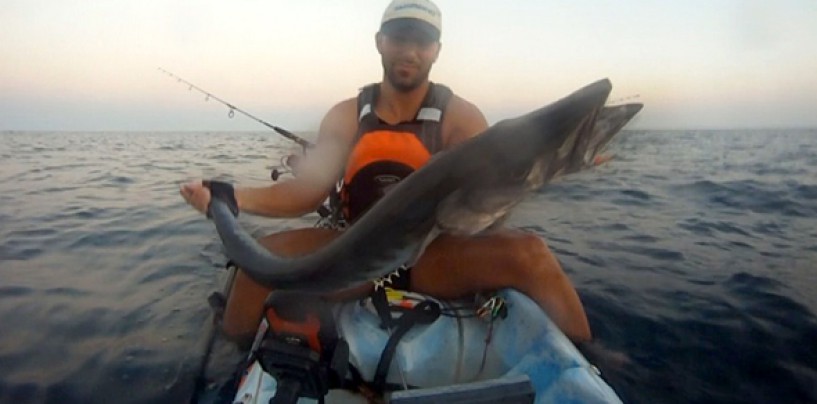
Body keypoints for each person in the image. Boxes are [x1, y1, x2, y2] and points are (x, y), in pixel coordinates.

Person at [180, 0, 591, 343]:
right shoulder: (345, 116)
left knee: (533, 256)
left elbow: (489, 200)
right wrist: (229, 197)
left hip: (433, 257)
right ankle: (233, 360)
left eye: (422, 41)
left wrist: (560, 164)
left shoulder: (461, 118)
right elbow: (306, 192)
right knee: (255, 272)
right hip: (350, 254)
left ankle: (591, 361)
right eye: (399, 38)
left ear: (437, 49)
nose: (409, 51)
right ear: (380, 42)